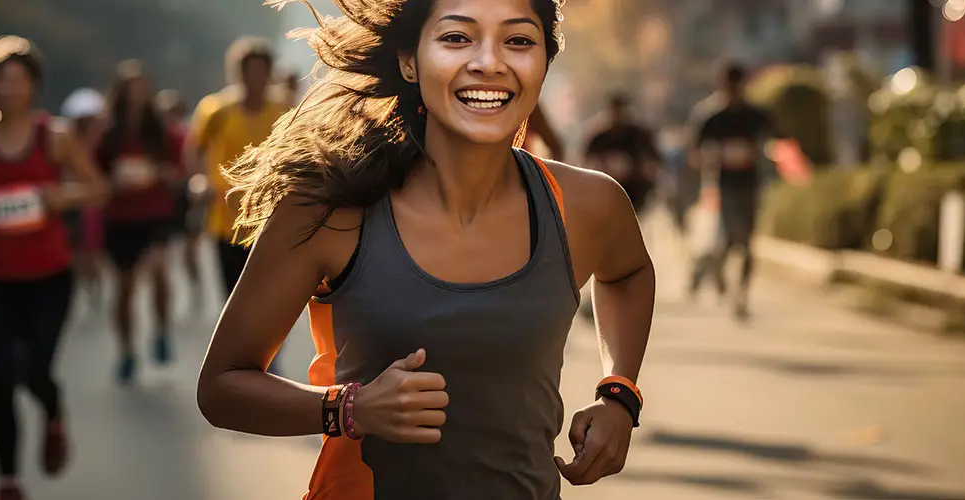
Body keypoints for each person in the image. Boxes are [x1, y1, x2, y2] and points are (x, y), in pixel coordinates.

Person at [196, 0, 655, 498]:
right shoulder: (330, 209)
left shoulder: (588, 205)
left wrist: (619, 393)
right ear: (408, 60)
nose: (489, 62)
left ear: (545, 60)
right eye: (457, 38)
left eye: (519, 41)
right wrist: (350, 408)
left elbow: (627, 273)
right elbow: (222, 385)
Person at [0, 36, 109, 500]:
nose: (9, 88)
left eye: (19, 80)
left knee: (34, 373)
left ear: (33, 86)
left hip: (49, 276)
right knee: (0, 376)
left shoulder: (55, 137)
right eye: (0, 80)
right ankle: (7, 480)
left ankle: (52, 413)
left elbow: (96, 188)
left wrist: (61, 196)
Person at [95, 61, 185, 384]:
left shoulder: (161, 131)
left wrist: (152, 173)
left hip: (155, 214)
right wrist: (114, 181)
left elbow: (178, 173)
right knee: (124, 288)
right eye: (130, 88)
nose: (136, 94)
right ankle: (126, 350)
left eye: (141, 87)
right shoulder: (107, 134)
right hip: (120, 218)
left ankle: (161, 330)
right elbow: (92, 176)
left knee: (160, 270)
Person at [187, 38, 290, 301]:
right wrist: (200, 180)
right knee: (234, 298)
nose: (255, 78)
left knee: (271, 299)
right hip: (226, 219)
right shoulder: (216, 110)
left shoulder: (284, 108)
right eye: (249, 71)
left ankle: (271, 342)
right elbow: (194, 151)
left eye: (261, 71)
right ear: (237, 73)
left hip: (273, 219)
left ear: (270, 73)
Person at [687, 62, 780, 323]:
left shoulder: (755, 116)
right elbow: (694, 152)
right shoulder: (711, 117)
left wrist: (763, 155)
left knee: (747, 242)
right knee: (729, 238)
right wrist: (712, 158)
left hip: (750, 185)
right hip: (722, 186)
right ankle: (714, 271)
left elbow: (774, 141)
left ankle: (741, 295)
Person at [61, 87, 110, 310]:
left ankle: (95, 287)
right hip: (71, 203)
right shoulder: (64, 142)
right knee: (77, 252)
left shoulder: (103, 143)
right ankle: (84, 287)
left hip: (93, 206)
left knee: (92, 251)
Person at [155, 89, 203, 289]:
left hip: (185, 195)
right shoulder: (156, 138)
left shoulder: (187, 134)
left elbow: (194, 163)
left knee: (190, 248)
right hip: (164, 199)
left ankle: (195, 286)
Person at [583, 93, 660, 213]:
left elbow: (654, 162)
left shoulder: (640, 135)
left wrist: (636, 168)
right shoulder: (599, 137)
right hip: (606, 187)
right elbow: (587, 162)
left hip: (635, 188)